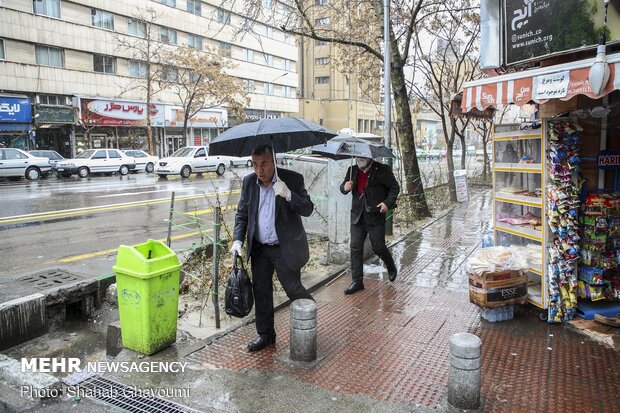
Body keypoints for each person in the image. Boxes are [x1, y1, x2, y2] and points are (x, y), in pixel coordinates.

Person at [230, 145, 315, 352]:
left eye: (265, 164)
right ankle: (266, 335)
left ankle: (310, 319)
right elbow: (242, 215)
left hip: (284, 247)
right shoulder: (249, 183)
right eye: (256, 164)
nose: (260, 170)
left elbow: (307, 208)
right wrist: (237, 241)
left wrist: (287, 194)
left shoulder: (292, 179)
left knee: (293, 289)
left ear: (274, 161)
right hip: (260, 249)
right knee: (262, 293)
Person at [340, 157, 400, 295]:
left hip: (375, 215)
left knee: (378, 247)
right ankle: (357, 281)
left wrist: (387, 203)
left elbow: (394, 188)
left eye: (363, 157)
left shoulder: (382, 170)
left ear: (369, 158)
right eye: (358, 157)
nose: (359, 160)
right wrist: (345, 187)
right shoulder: (352, 170)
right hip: (357, 216)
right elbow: (343, 188)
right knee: (355, 247)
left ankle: (391, 266)